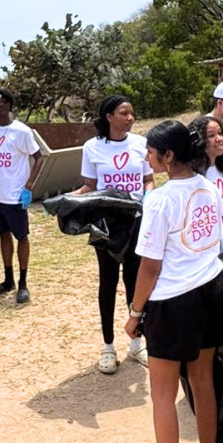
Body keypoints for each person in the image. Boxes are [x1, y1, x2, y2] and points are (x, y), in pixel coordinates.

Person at [126, 120, 223, 443]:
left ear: (168, 156)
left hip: (173, 303)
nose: (146, 158)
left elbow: (150, 267)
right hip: (210, 291)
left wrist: (135, 313)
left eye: (150, 152)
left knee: (163, 397)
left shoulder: (160, 200)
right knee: (202, 383)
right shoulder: (207, 186)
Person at [71, 95, 154, 373]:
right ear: (109, 116)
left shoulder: (140, 144)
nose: (130, 118)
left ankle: (136, 343)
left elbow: (148, 180)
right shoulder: (92, 147)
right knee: (107, 282)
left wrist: (148, 199)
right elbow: (89, 185)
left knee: (135, 281)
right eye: (124, 113)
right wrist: (68, 200)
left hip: (135, 222)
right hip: (105, 224)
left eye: (132, 113)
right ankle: (107, 347)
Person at [0, 88, 44, 304]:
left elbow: (39, 158)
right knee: (3, 234)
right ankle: (8, 279)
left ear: (7, 105)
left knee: (22, 236)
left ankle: (23, 283)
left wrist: (29, 186)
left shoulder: (22, 131)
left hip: (14, 195)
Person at [189, 115, 223, 252]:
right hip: (206, 253)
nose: (219, 139)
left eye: (220, 133)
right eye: (211, 135)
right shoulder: (194, 177)